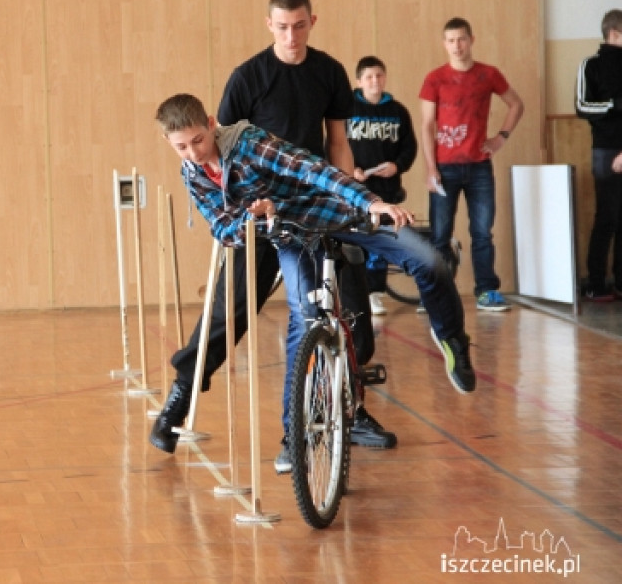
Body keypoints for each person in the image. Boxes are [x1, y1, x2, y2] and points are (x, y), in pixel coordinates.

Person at [150, 0, 394, 463]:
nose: (292, 34)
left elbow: (336, 145)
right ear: (270, 26)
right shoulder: (248, 78)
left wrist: (352, 200)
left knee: (352, 311)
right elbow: (219, 154)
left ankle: (353, 408)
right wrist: (245, 217)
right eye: (282, 26)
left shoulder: (329, 72)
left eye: (299, 25)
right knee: (228, 313)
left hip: (318, 201)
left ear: (312, 22)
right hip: (259, 214)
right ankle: (180, 397)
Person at [154, 93, 474, 455]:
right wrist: (254, 217)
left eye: (198, 140)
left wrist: (370, 201)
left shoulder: (249, 144)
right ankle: (296, 438)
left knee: (428, 261)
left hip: (335, 212)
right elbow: (222, 227)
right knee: (301, 321)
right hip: (290, 236)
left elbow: (311, 168)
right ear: (169, 143)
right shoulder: (192, 173)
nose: (194, 153)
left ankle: (452, 339)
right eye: (182, 147)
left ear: (212, 124)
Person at [419, 17, 524, 312]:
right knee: (440, 235)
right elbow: (427, 125)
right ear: (444, 44)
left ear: (471, 40)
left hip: (479, 167)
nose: (457, 46)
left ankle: (487, 291)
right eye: (451, 40)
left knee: (482, 232)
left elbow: (516, 104)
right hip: (444, 168)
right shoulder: (434, 78)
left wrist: (501, 138)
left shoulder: (488, 74)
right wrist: (430, 168)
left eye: (461, 39)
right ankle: (438, 294)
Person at [346, 56, 418, 316]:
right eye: (369, 77)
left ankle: (375, 293)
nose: (375, 81)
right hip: (355, 192)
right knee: (356, 244)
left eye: (379, 75)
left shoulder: (398, 111)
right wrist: (350, 170)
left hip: (387, 191)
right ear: (359, 81)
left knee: (380, 245)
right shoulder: (347, 109)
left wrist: (397, 166)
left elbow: (409, 147)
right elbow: (334, 144)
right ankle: (355, 296)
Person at [575, 9, 622, 301]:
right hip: (605, 151)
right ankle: (595, 281)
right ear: (614, 33)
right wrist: (615, 105)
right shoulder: (590, 65)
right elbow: (582, 106)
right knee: (606, 216)